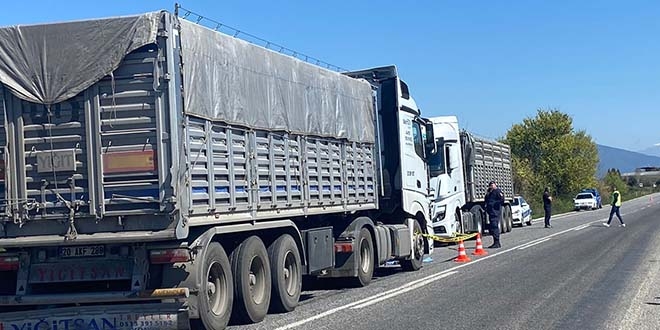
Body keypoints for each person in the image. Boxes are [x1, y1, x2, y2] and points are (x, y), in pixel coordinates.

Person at [485, 181, 504, 248]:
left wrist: (495, 205)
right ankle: (495, 242)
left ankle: (497, 242)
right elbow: (486, 200)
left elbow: (502, 200)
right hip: (491, 212)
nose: (492, 186)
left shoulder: (497, 191)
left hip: (495, 211)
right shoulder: (490, 192)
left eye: (493, 185)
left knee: (494, 226)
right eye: (490, 185)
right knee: (492, 227)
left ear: (495, 185)